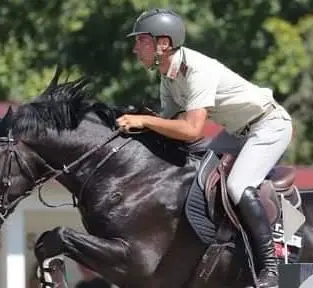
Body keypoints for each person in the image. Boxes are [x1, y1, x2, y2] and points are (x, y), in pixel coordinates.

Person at [116, 8, 293, 288]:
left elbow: (191, 130)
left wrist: (144, 120)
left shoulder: (197, 70)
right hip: (237, 132)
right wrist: (139, 125)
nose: (136, 47)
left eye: (142, 40)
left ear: (164, 43)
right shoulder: (169, 76)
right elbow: (170, 125)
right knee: (200, 177)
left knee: (236, 186)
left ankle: (270, 269)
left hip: (269, 125)